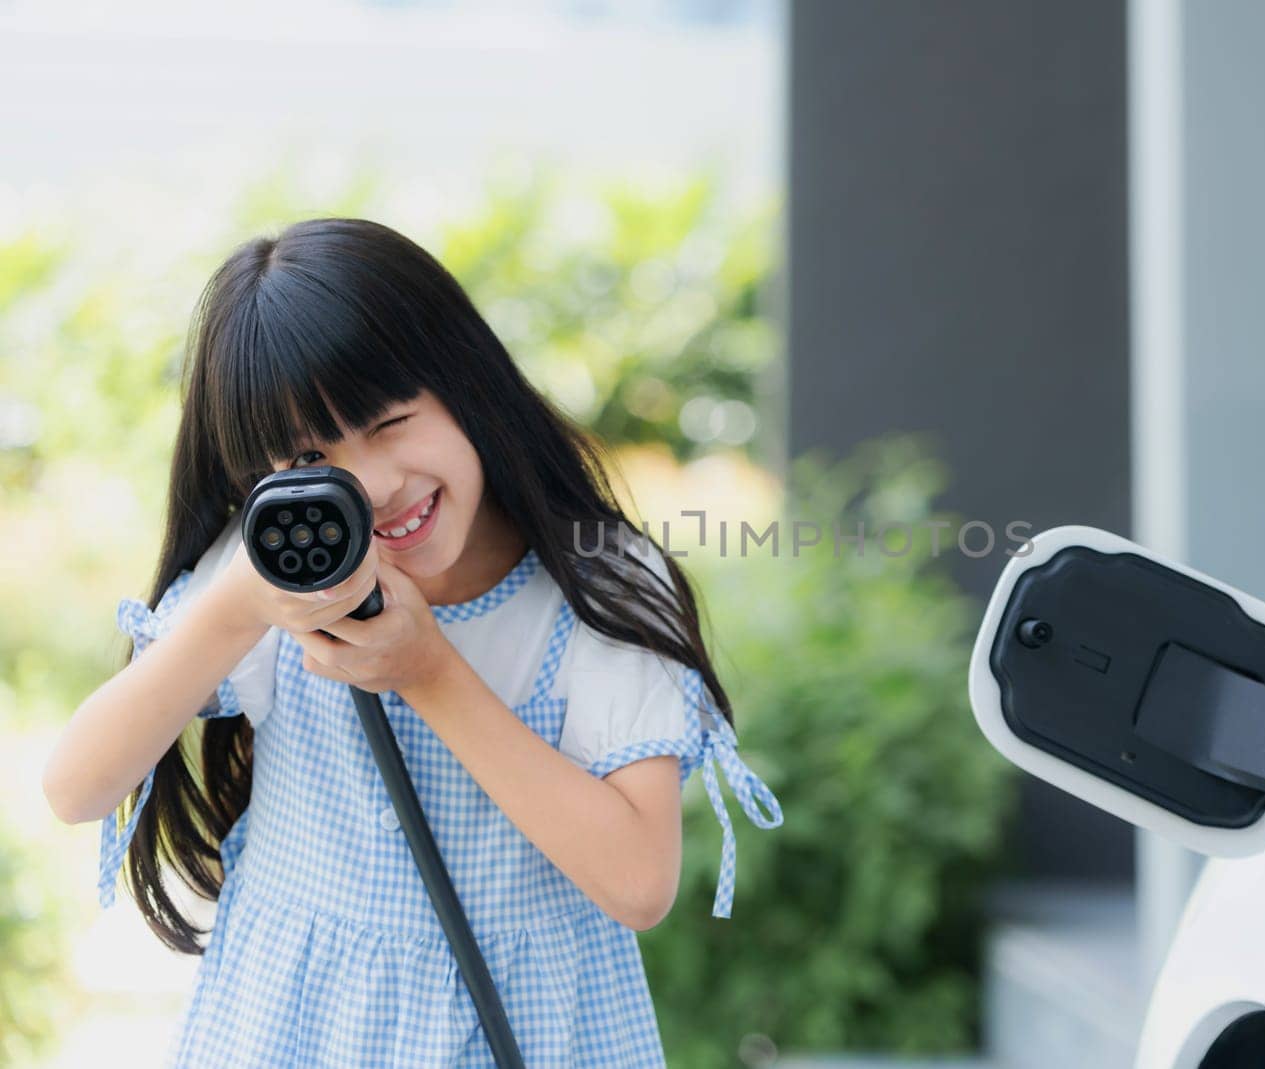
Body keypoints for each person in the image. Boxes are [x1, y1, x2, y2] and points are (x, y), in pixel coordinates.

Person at [40, 217, 783, 1066]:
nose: (377, 485)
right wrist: (239, 603)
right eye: (312, 457)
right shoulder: (267, 577)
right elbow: (77, 788)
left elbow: (639, 883)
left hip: (535, 1024)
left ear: (467, 389)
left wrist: (429, 671)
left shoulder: (596, 585)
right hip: (300, 1026)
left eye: (391, 423)